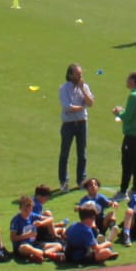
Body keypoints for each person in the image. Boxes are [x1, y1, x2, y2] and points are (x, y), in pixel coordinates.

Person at [58, 62, 95, 190]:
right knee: (65, 153)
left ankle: (81, 180)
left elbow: (90, 103)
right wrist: (82, 107)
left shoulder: (85, 86)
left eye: (81, 74)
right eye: (77, 74)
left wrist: (83, 90)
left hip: (82, 123)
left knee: (82, 153)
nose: (80, 76)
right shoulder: (64, 88)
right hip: (68, 124)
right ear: (70, 75)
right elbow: (68, 107)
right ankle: (64, 181)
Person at [113, 71, 136, 197]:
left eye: (128, 79)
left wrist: (118, 112)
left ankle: (123, 190)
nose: (126, 81)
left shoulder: (133, 96)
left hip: (132, 133)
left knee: (127, 162)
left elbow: (128, 117)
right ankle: (135, 188)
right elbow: (134, 112)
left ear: (133, 81)